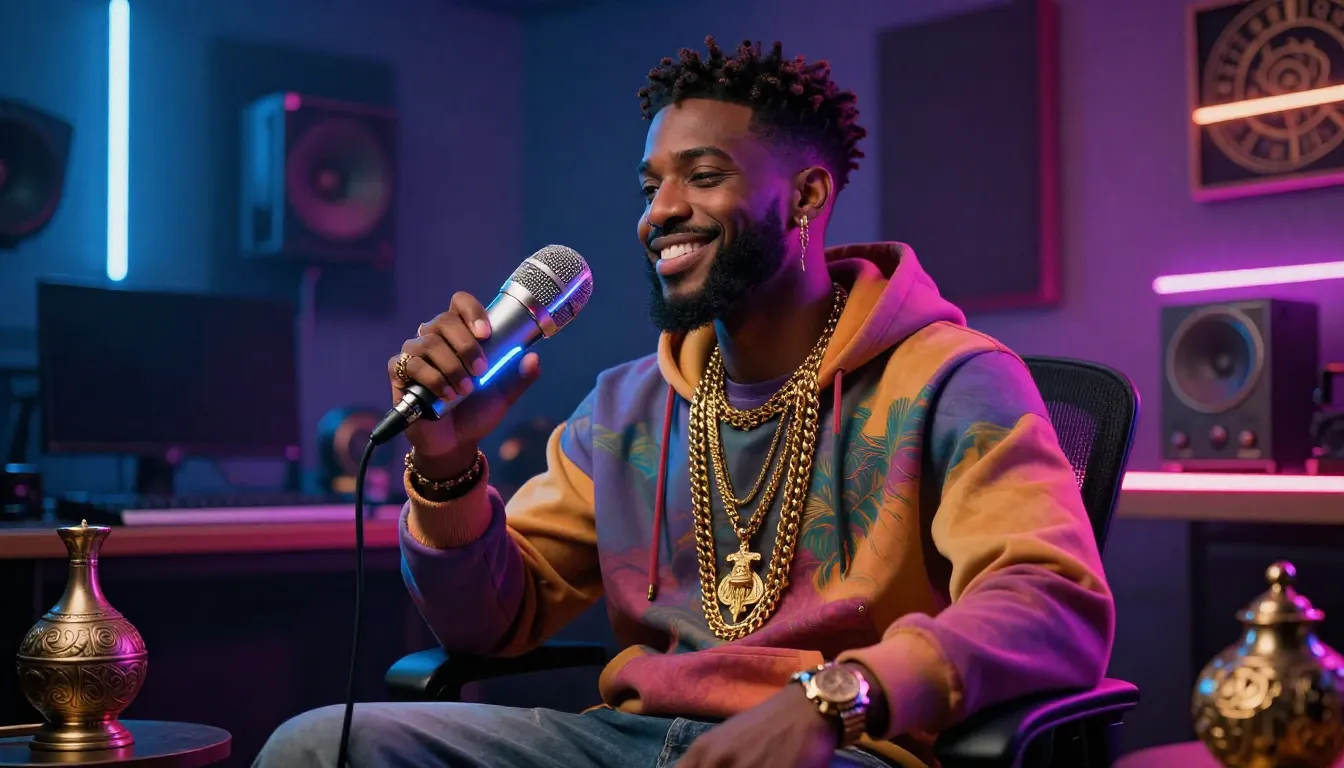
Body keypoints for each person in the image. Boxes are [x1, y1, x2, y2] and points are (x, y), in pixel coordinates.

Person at [253, 36, 1114, 768]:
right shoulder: (625, 405)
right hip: (626, 741)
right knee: (320, 745)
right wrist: (445, 461)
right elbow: (487, 625)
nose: (660, 213)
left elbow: (1051, 600)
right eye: (650, 186)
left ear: (807, 196)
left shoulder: (954, 378)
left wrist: (833, 697)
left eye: (702, 176)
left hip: (837, 747)